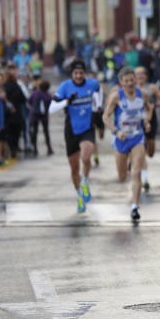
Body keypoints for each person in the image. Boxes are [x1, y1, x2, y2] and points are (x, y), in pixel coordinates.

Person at [49, 59, 103, 213]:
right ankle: (79, 195)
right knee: (74, 168)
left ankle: (85, 181)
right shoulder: (65, 87)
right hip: (71, 130)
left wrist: (98, 105)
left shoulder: (92, 84)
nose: (79, 76)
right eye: (76, 73)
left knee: (86, 158)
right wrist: (66, 102)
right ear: (71, 74)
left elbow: (99, 91)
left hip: (87, 127)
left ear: (84, 73)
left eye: (81, 73)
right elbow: (51, 109)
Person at [103, 67, 152, 223]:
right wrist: (116, 132)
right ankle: (128, 166)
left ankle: (135, 207)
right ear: (121, 82)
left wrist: (146, 121)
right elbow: (105, 117)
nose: (130, 83)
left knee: (136, 173)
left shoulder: (142, 94)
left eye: (132, 80)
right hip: (121, 140)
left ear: (136, 80)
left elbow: (148, 108)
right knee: (122, 176)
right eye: (127, 81)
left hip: (137, 137)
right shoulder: (116, 97)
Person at [136, 66, 160, 191]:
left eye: (142, 74)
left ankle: (134, 160)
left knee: (150, 152)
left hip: (151, 118)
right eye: (137, 74)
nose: (140, 76)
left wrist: (154, 105)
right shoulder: (132, 89)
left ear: (146, 75)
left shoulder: (152, 88)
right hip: (137, 120)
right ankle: (144, 179)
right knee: (141, 150)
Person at [27, 79, 53, 156]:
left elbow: (28, 101)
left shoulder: (35, 93)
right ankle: (49, 148)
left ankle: (35, 149)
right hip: (44, 116)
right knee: (46, 132)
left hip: (34, 115)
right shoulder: (48, 95)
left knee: (34, 132)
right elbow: (51, 105)